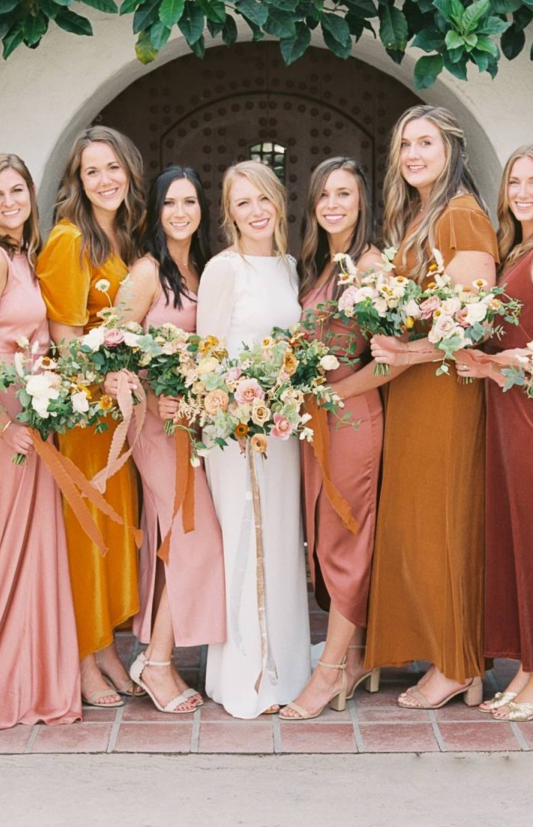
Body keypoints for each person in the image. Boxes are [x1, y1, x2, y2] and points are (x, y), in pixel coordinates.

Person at [364, 105, 499, 710]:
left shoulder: (463, 216)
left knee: (444, 522)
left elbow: (468, 324)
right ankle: (453, 658)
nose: (412, 154)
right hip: (417, 389)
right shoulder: (424, 215)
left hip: (446, 391)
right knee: (421, 526)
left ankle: (456, 660)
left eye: (425, 142)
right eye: (404, 144)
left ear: (452, 150)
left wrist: (403, 349)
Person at [0, 153, 82, 730]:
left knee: (30, 548)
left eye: (18, 190)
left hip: (29, 413)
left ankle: (28, 681)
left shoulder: (24, 258)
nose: (10, 202)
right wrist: (3, 424)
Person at [456, 145, 533, 721]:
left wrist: (503, 362)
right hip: (507, 406)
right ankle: (529, 667)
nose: (523, 192)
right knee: (517, 538)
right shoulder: (516, 251)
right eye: (514, 182)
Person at [104, 165, 226, 714]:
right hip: (154, 425)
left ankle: (155, 653)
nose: (181, 212)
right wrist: (154, 399)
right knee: (193, 534)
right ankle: (156, 662)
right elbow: (113, 345)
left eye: (191, 202)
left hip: (195, 426)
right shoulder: (147, 271)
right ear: (156, 211)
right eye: (171, 203)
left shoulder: (203, 269)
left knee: (180, 536)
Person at [196, 161, 310, 719]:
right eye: (243, 203)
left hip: (282, 429)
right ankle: (248, 673)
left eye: (263, 198)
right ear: (229, 213)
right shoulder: (224, 269)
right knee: (246, 539)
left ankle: (286, 664)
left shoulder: (290, 267)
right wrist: (236, 405)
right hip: (233, 431)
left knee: (282, 539)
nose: (257, 210)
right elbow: (207, 356)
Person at [36, 126, 145, 708]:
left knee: (110, 531)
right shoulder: (69, 239)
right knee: (85, 530)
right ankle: (80, 659)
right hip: (83, 413)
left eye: (113, 168)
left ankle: (106, 649)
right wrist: (103, 378)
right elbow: (66, 339)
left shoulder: (118, 237)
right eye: (91, 171)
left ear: (129, 171)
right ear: (77, 182)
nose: (104, 180)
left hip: (116, 412)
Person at [281, 158, 383, 721]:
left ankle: (327, 676)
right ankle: (354, 657)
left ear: (362, 202)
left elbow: (391, 361)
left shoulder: (369, 266)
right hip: (317, 420)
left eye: (344, 193)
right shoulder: (319, 267)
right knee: (326, 541)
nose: (333, 204)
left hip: (351, 418)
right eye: (323, 194)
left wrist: (337, 395)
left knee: (346, 538)